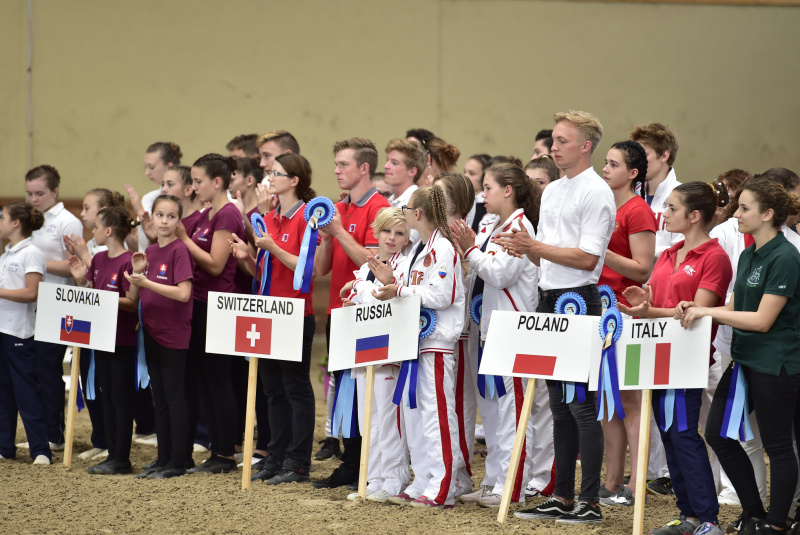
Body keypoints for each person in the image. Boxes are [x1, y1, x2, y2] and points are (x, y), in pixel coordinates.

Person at [496, 110, 615, 525]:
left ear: (585, 146)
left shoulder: (596, 191)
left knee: (582, 406)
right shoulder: (554, 191)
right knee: (560, 405)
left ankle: (590, 500)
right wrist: (520, 247)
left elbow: (586, 258)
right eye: (554, 140)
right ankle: (563, 495)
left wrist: (536, 247)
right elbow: (547, 249)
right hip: (551, 296)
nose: (554, 147)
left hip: (578, 298)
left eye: (563, 141)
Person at [679, 178, 800, 535]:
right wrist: (696, 307)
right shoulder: (749, 253)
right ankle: (754, 512)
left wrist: (708, 313)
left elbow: (763, 320)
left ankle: (777, 523)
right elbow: (736, 305)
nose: (737, 214)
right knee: (717, 434)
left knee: (778, 445)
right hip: (745, 360)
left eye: (745, 208)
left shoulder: (786, 256)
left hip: (776, 362)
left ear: (768, 214)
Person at [617, 181, 732, 535]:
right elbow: (666, 308)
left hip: (687, 357)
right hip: (658, 355)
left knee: (683, 432)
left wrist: (654, 311)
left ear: (694, 216)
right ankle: (689, 516)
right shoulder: (668, 254)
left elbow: (695, 311)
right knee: (668, 434)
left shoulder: (714, 257)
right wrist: (645, 307)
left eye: (671, 208)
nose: (663, 214)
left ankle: (706, 518)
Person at [452, 162, 548, 508]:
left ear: (508, 191)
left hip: (515, 332)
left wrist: (469, 249)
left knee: (514, 411)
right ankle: (494, 480)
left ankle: (513, 485)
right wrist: (474, 248)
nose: (483, 194)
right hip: (494, 331)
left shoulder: (520, 227)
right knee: (494, 411)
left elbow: (499, 274)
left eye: (488, 187)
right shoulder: (497, 226)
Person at [229, 153, 318, 485]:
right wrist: (248, 257)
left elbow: (304, 270)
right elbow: (266, 274)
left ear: (294, 181)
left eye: (275, 173)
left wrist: (271, 244)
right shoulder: (270, 216)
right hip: (267, 312)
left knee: (294, 388)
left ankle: (298, 461)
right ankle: (275, 456)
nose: (269, 178)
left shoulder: (306, 217)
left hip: (294, 313)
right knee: (272, 390)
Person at [374, 186, 465, 509]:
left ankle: (444, 485)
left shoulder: (443, 248)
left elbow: (441, 296)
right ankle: (424, 480)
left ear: (418, 214)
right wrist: (394, 285)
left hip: (436, 343)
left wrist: (399, 289)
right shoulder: (420, 249)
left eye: (408, 208)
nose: (404, 212)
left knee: (436, 415)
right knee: (417, 417)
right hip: (415, 342)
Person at [312, 137, 391, 488]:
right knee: (343, 387)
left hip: (367, 313)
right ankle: (350, 459)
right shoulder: (337, 209)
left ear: (363, 168)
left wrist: (340, 232)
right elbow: (321, 270)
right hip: (337, 310)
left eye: (343, 164)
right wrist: (328, 238)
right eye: (336, 164)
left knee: (363, 390)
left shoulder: (380, 208)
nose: (336, 170)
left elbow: (376, 264)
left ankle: (363, 463)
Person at [595, 141, 656, 507]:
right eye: (605, 162)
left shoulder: (638, 211)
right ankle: (612, 480)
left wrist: (600, 250)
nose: (605, 168)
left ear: (632, 174)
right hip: (599, 313)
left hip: (626, 315)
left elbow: (643, 267)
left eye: (613, 164)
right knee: (606, 401)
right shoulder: (604, 206)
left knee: (631, 401)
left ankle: (636, 484)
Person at [179, 154, 245, 474]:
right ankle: (215, 449)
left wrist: (183, 241)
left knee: (218, 381)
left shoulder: (228, 215)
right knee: (203, 380)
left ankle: (225, 453)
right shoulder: (207, 214)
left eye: (198, 181)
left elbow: (216, 264)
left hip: (218, 306)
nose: (193, 187)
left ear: (217, 182)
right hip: (199, 303)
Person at [339, 207, 410, 501]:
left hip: (390, 349)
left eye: (399, 233)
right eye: (386, 231)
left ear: (408, 239)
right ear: (376, 232)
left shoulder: (405, 266)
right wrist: (359, 288)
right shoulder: (367, 266)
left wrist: (359, 288)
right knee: (368, 416)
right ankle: (372, 478)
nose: (391, 238)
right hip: (363, 347)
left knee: (388, 417)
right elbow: (352, 299)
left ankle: (394, 479)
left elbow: (383, 295)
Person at [125, 195, 193, 479]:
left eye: (171, 216)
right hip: (151, 331)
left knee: (175, 397)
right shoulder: (149, 251)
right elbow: (140, 292)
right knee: (160, 397)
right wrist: (139, 275)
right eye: (160, 215)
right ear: (151, 218)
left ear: (179, 221)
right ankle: (163, 457)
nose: (164, 221)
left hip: (174, 334)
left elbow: (183, 293)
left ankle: (180, 460)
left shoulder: (180, 250)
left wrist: (147, 281)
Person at [68, 206, 139, 475]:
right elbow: (92, 297)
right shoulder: (97, 261)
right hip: (101, 338)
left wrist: (103, 298)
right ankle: (112, 453)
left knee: (120, 398)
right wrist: (81, 282)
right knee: (105, 396)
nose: (92, 230)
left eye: (96, 226)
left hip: (122, 340)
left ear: (108, 231)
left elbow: (132, 303)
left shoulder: (130, 261)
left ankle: (122, 457)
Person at [26, 165, 83, 451]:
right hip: (30, 303)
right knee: (33, 370)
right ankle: (40, 431)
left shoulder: (67, 221)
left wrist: (33, 264)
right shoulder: (28, 220)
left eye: (40, 193)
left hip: (59, 303)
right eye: (29, 194)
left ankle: (55, 434)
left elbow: (76, 267)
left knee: (48, 369)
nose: (34, 199)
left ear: (55, 191)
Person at [0, 203, 50, 466]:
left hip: (20, 333)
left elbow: (32, 292)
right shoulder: (7, 254)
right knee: (3, 392)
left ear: (16, 223)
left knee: (27, 392)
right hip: (2, 329)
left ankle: (40, 449)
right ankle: (5, 446)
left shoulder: (31, 253)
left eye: (3, 218)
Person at [127, 142, 183, 253]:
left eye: (151, 167)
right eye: (145, 167)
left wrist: (140, 211)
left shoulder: (184, 200)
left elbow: (166, 239)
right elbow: (141, 246)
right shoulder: (148, 198)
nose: (147, 173)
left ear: (169, 167)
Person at [384, 138, 426, 209]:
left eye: (394, 163)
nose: (385, 166)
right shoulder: (389, 201)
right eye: (387, 160)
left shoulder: (416, 204)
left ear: (412, 171)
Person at [462, 154, 492, 232]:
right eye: (465, 172)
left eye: (472, 173)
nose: (465, 176)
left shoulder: (487, 205)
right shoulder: (461, 200)